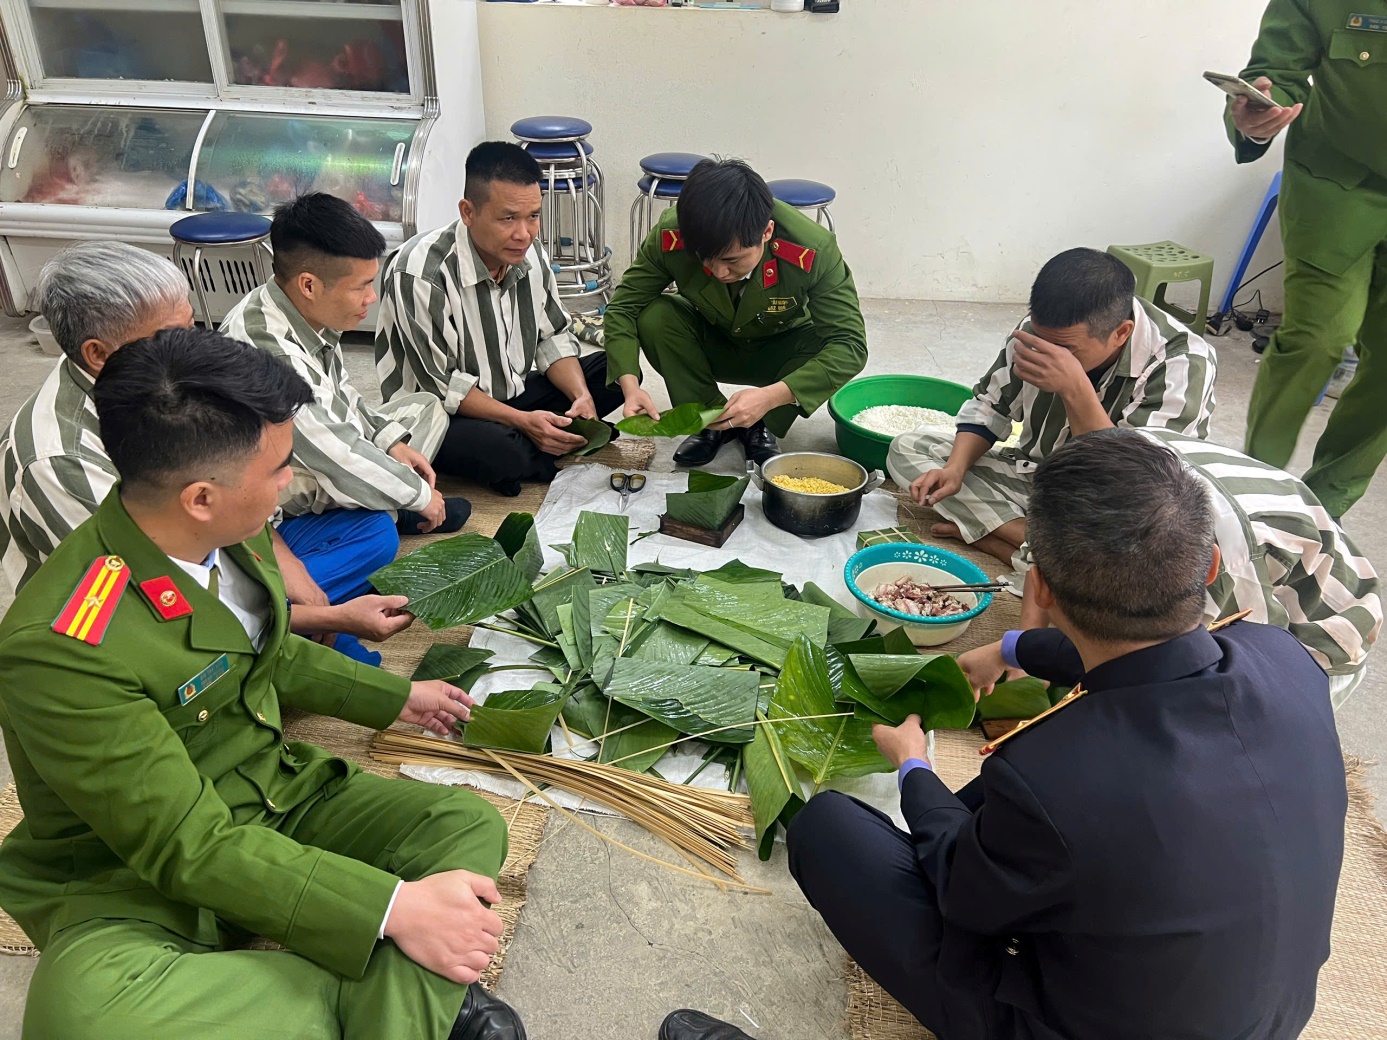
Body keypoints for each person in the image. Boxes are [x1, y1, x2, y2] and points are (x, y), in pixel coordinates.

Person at [0, 327, 525, 1040]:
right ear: (201, 497)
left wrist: (399, 697)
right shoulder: (60, 648)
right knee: (83, 1017)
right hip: (131, 878)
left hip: (274, 795)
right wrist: (390, 910)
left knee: (465, 823)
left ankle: (366, 997)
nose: (290, 482)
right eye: (279, 468)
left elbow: (263, 654)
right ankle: (399, 994)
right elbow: (185, 843)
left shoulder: (228, 531)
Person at [788, 429, 1346, 1040]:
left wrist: (914, 768)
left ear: (1041, 588)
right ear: (1209, 566)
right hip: (1267, 1020)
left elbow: (962, 890)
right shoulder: (1286, 658)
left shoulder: (1052, 776)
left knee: (829, 829)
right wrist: (1012, 647)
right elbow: (1154, 654)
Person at [0, 242, 411, 665]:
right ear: (98, 354)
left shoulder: (160, 384)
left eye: (192, 324)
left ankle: (284, 626)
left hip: (211, 544)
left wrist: (289, 567)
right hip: (151, 609)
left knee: (373, 531)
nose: (192, 345)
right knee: (333, 660)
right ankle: (282, 634)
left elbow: (238, 502)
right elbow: (156, 605)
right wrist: (326, 616)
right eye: (170, 336)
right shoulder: (62, 461)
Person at [888, 247, 1218, 566]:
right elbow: (990, 405)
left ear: (1121, 333)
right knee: (910, 448)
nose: (1046, 354)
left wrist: (1075, 389)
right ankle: (1039, 548)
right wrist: (955, 469)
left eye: (1065, 350)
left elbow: (1141, 486)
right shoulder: (1038, 332)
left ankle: (1000, 542)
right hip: (1036, 478)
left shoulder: (1182, 364)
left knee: (1140, 560)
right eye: (1039, 339)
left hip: (1113, 509)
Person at [1016, 428, 1381, 709]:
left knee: (1218, 729)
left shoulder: (1233, 573)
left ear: (1208, 570)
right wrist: (1022, 650)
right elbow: (1041, 555)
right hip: (1248, 556)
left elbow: (1242, 665)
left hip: (1322, 638)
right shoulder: (1077, 484)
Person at [375, 142, 621, 497]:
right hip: (442, 414)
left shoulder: (530, 254)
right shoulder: (419, 273)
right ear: (468, 212)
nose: (524, 233)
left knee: (614, 371)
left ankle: (535, 445)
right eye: (508, 218)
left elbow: (552, 337)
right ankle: (531, 451)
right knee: (501, 450)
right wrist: (524, 422)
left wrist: (580, 396)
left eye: (533, 216)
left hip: (512, 395)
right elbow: (443, 387)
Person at [221, 192, 467, 538]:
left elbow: (342, 395)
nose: (371, 297)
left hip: (317, 439)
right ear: (309, 285)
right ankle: (390, 512)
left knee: (427, 409)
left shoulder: (302, 309)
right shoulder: (270, 353)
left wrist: (390, 442)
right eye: (361, 287)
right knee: (343, 480)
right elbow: (332, 451)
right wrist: (421, 495)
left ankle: (384, 503)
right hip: (271, 471)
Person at [1226, 1, 1387, 519]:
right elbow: (1274, 75)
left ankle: (1325, 507)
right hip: (1336, 186)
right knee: (1316, 340)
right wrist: (1257, 115)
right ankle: (1254, 491)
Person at [602, 158, 868, 467]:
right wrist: (630, 386)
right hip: (713, 342)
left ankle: (762, 425)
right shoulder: (674, 234)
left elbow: (850, 345)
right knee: (655, 315)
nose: (718, 272)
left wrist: (771, 397)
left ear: (766, 232)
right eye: (705, 257)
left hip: (784, 353)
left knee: (826, 341)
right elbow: (623, 307)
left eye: (732, 260)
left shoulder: (813, 249)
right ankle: (711, 420)